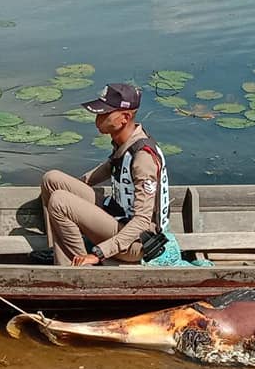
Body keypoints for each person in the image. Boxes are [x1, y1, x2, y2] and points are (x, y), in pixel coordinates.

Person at [40, 83, 170, 266]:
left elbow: (141, 221)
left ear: (125, 117)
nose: (97, 118)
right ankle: (58, 249)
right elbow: (108, 168)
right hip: (117, 216)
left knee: (60, 201)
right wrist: (75, 190)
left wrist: (100, 253)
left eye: (104, 114)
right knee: (52, 180)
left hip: (135, 242)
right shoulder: (126, 142)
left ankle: (76, 269)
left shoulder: (143, 159)